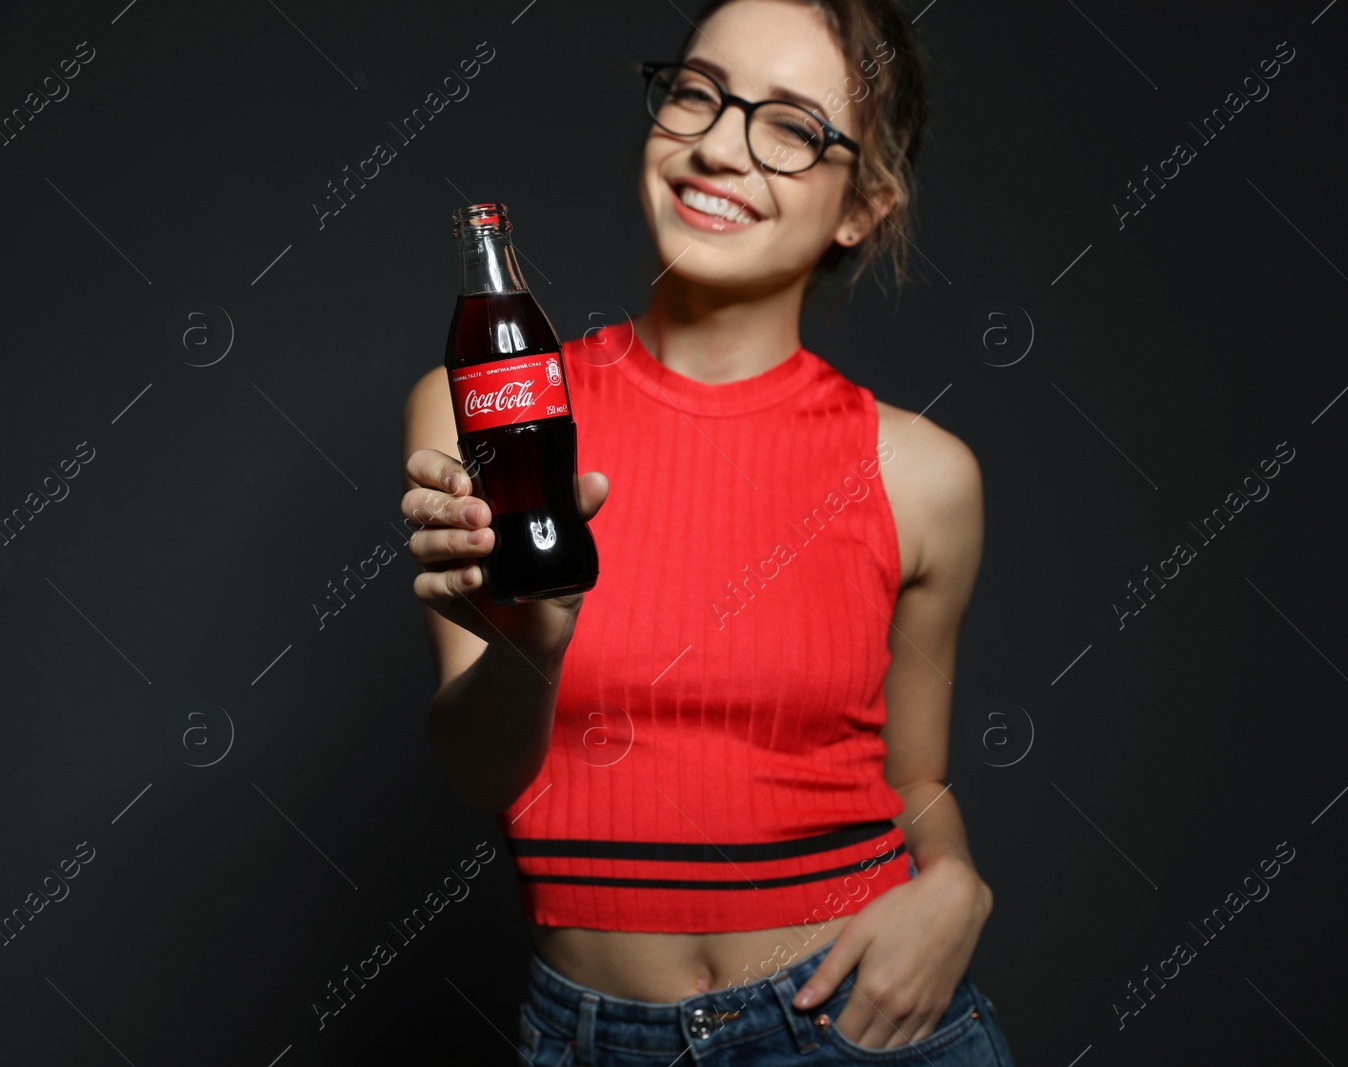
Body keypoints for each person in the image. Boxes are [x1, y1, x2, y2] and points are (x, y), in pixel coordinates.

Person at [399, 0, 1014, 1062]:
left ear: (862, 202)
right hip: (590, 1036)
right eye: (697, 92)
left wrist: (955, 878)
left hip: (853, 1026)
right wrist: (533, 640)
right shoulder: (494, 410)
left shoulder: (922, 475)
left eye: (788, 126)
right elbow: (482, 770)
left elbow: (916, 778)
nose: (719, 146)